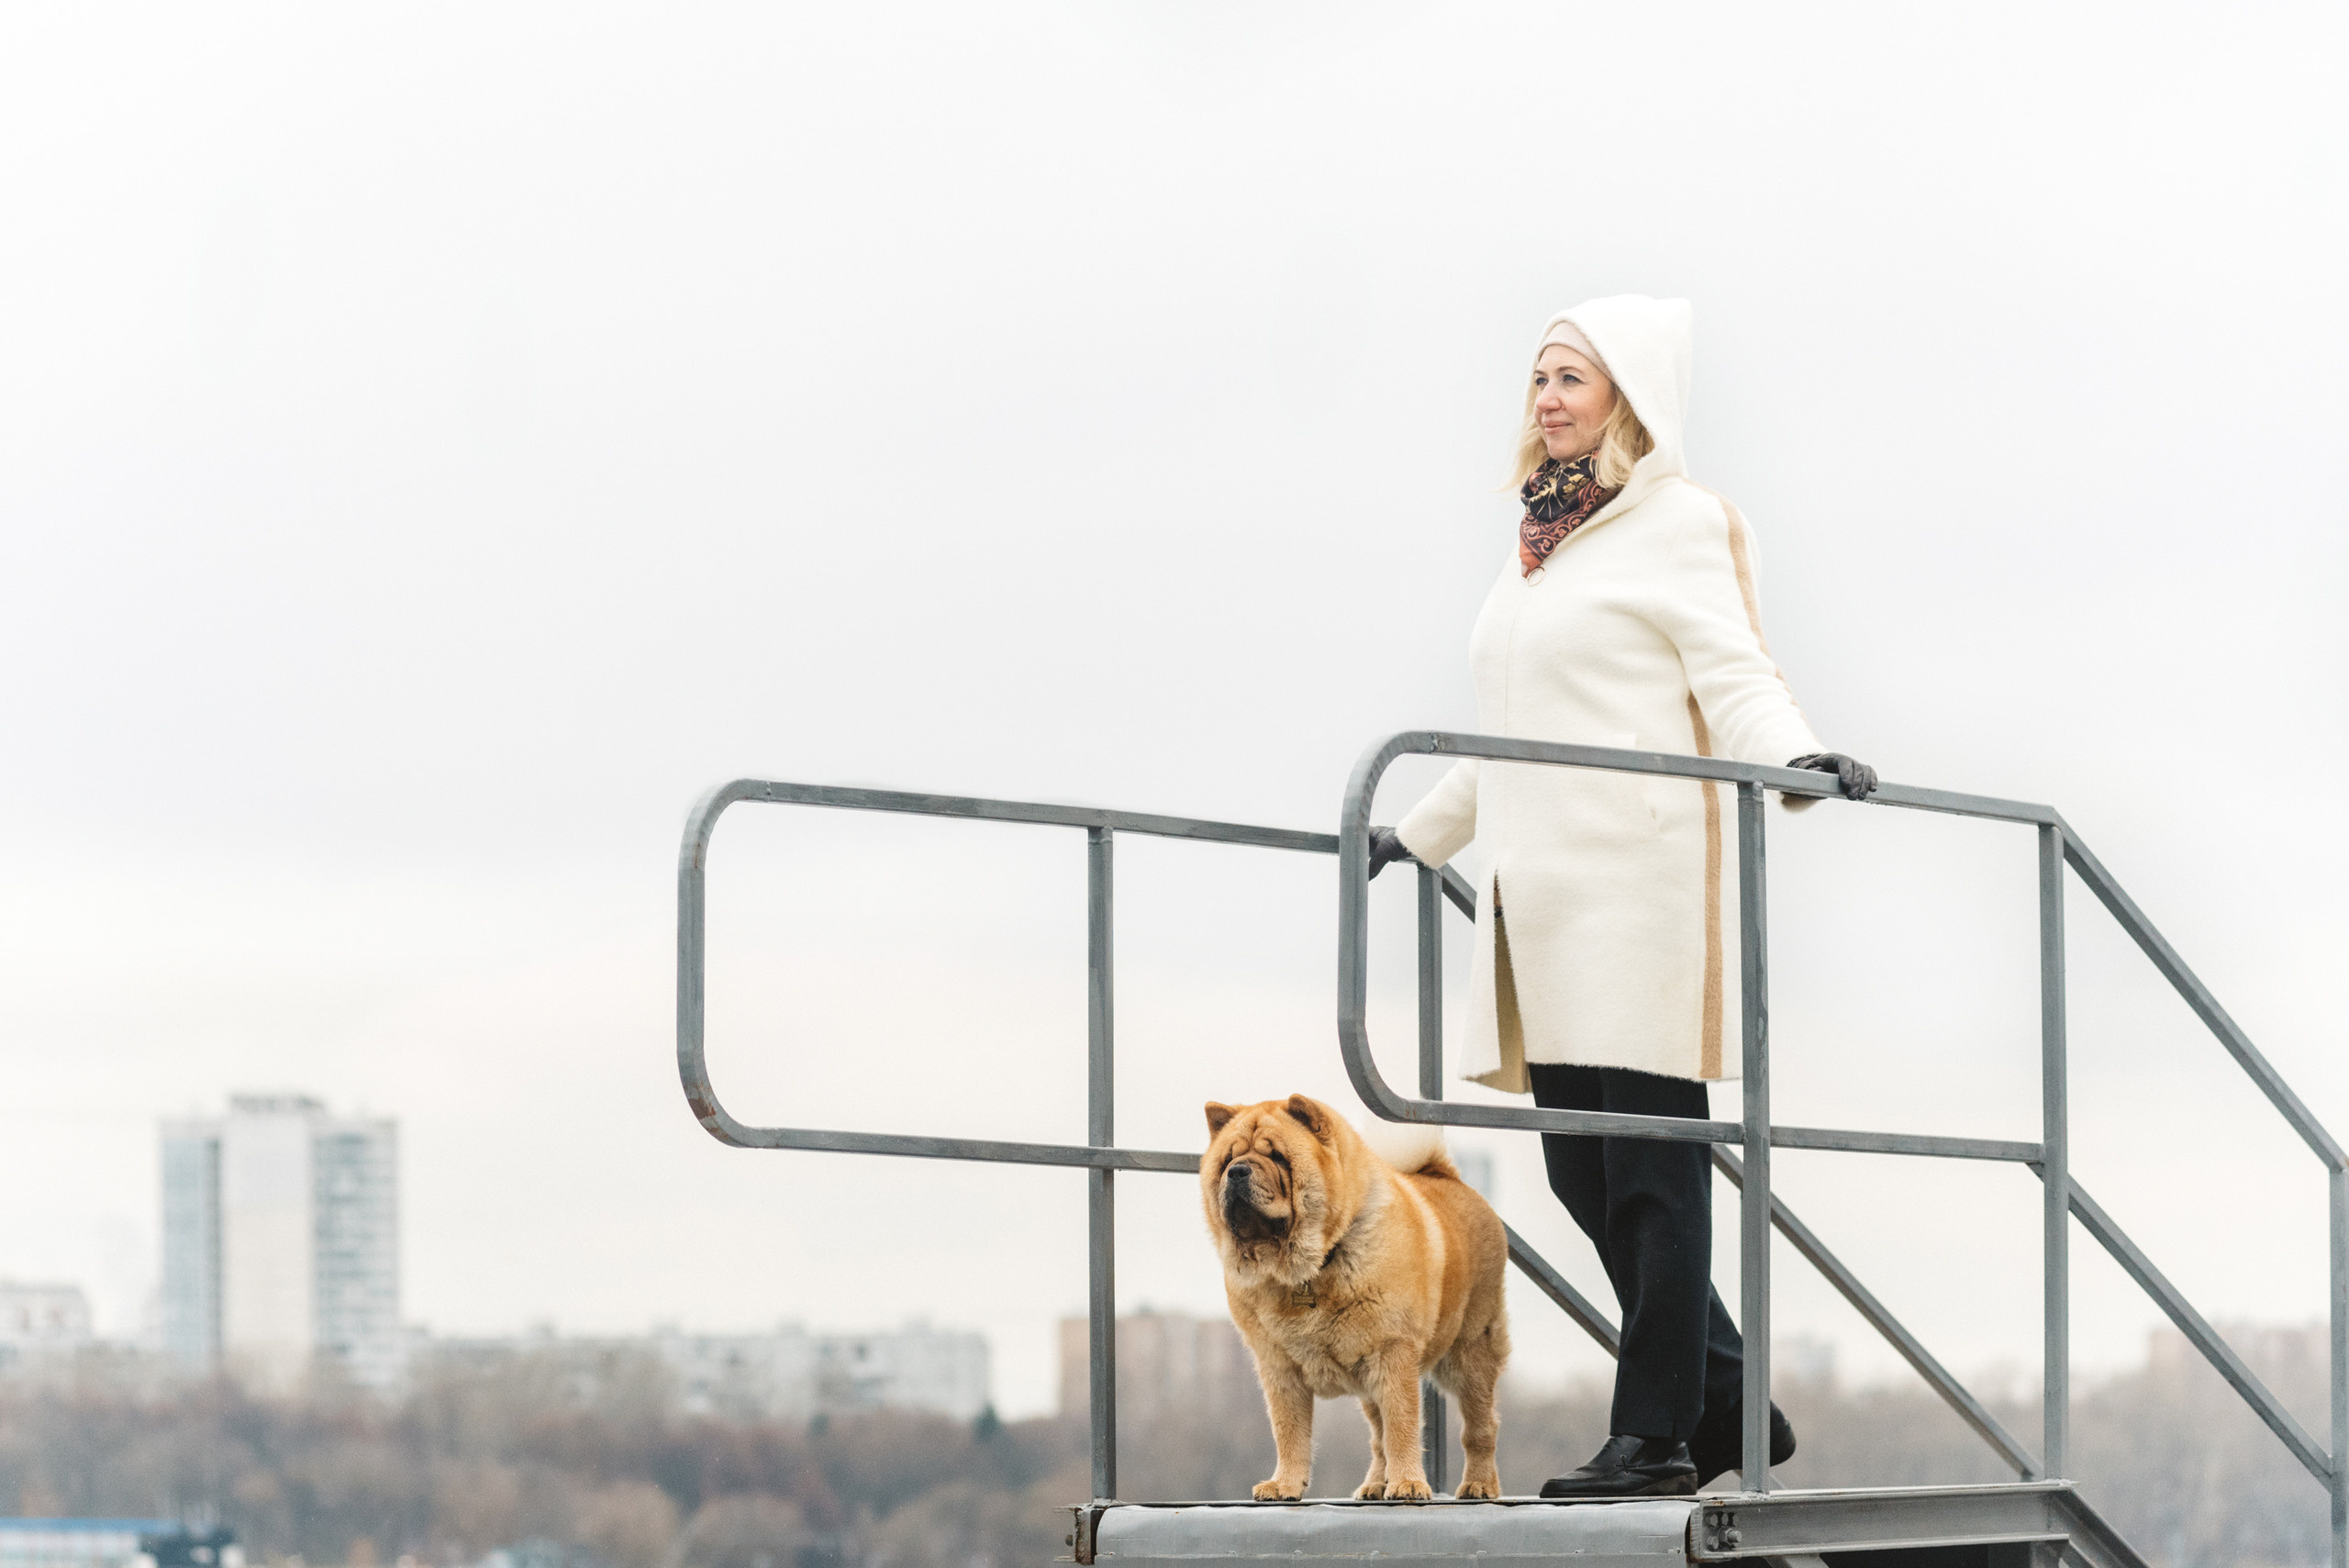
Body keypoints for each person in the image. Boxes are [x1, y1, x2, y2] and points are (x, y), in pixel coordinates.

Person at [1366, 295, 1876, 1498]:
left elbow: (1739, 668)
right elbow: (1507, 732)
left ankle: (1655, 1432)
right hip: (1539, 906)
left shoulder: (1683, 523)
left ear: (1632, 398)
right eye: (1538, 377)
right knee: (1581, 1173)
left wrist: (1794, 760)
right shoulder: (1539, 540)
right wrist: (1414, 833)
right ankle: (1735, 1400)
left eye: (1572, 379)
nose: (1546, 398)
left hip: (1635, 897)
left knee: (1652, 1171)